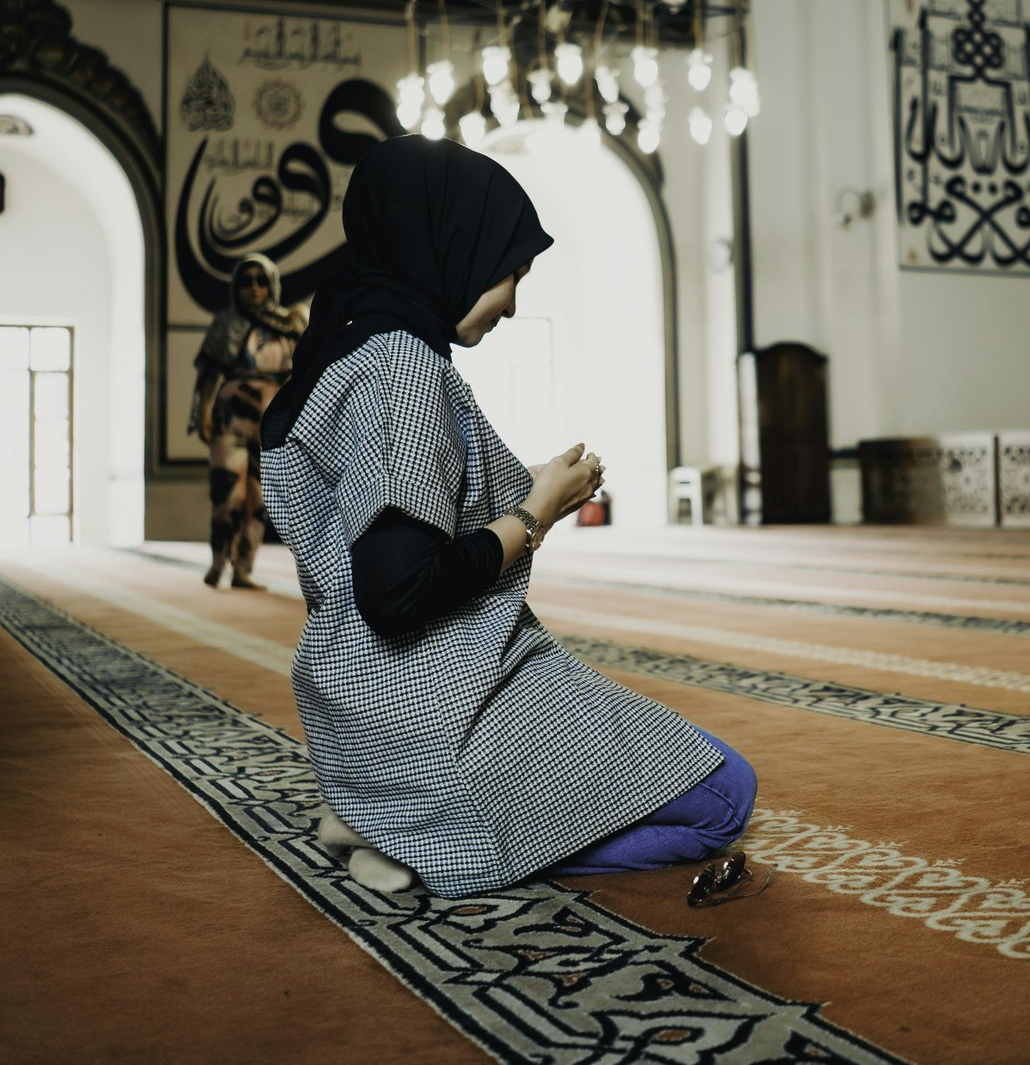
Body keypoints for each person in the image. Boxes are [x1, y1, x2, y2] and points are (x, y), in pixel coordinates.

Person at [257, 137, 754, 898]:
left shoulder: (345, 354)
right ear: (450, 245)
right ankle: (433, 842)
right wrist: (537, 510)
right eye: (510, 271)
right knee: (723, 797)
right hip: (435, 708)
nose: (514, 303)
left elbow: (396, 521)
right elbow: (397, 594)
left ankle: (377, 815)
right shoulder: (404, 369)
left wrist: (532, 489)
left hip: (355, 720)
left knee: (666, 761)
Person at [191, 253, 307, 589]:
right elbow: (209, 375)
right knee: (229, 494)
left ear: (271, 284)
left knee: (260, 498)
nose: (254, 288)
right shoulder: (226, 324)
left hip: (274, 416)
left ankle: (243, 568)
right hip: (232, 414)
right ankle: (217, 561)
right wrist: (203, 414)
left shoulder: (289, 324)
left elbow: (302, 373)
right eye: (246, 281)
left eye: (261, 280)